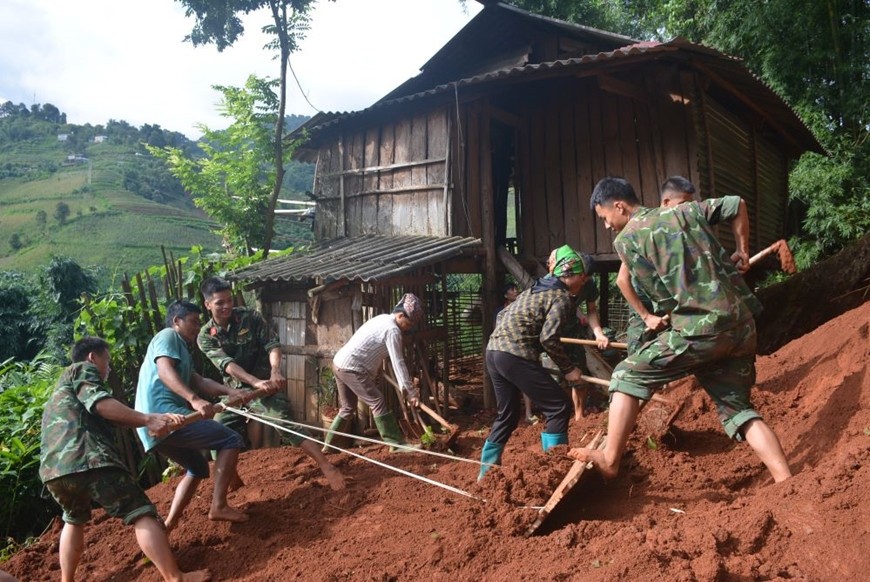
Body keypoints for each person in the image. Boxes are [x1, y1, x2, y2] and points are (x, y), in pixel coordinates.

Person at [570, 177, 792, 484]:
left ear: (618, 206)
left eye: (605, 218)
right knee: (738, 410)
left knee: (625, 375)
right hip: (741, 326)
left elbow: (660, 294)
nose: (607, 226)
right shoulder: (685, 211)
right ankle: (787, 481)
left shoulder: (627, 240)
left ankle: (610, 459)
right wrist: (741, 251)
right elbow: (737, 203)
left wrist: (654, 318)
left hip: (699, 331)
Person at [40, 336, 211, 582]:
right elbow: (100, 405)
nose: (108, 369)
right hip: (88, 459)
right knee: (141, 512)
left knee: (74, 519)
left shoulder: (61, 390)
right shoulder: (82, 370)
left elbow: (112, 417)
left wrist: (153, 420)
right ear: (92, 357)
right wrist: (148, 419)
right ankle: (176, 578)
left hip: (55, 471)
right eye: (106, 361)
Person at [197, 277, 345, 490]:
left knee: (284, 422)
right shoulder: (205, 335)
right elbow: (227, 365)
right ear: (208, 304)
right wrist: (253, 382)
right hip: (235, 392)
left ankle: (327, 467)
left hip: (267, 388)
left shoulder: (250, 318)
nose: (227, 306)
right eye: (220, 302)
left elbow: (272, 345)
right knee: (217, 430)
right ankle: (233, 477)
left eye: (229, 300)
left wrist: (275, 372)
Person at [477, 245, 595, 480]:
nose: (583, 284)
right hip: (514, 354)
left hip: (494, 352)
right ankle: (554, 472)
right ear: (572, 276)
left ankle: (486, 474)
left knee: (508, 414)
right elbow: (548, 338)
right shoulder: (560, 297)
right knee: (559, 407)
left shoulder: (536, 289)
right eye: (582, 279)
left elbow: (503, 317)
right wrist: (569, 370)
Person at [135, 300, 251, 532]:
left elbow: (199, 381)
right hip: (164, 416)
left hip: (155, 425)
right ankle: (218, 505)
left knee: (198, 466)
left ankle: (169, 524)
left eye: (199, 323)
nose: (198, 327)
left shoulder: (181, 349)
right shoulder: (168, 336)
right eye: (193, 322)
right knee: (231, 440)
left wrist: (232, 392)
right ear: (176, 321)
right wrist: (194, 400)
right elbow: (164, 371)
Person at [323, 293, 423, 452]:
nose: (408, 327)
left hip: (340, 363)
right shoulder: (392, 331)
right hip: (352, 368)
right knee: (378, 401)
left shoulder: (382, 318)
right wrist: (410, 392)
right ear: (400, 315)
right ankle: (396, 444)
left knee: (348, 408)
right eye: (408, 323)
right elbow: (398, 363)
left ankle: (329, 445)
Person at [618, 176, 696, 354]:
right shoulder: (644, 228)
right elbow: (622, 280)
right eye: (683, 203)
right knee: (639, 351)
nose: (687, 209)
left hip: (668, 302)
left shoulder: (679, 226)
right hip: (644, 302)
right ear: (667, 202)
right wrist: (646, 316)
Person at [545, 247, 611, 420]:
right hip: (551, 333)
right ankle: (557, 414)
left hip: (572, 331)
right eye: (581, 278)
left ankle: (579, 415)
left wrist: (598, 333)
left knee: (579, 374)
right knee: (555, 376)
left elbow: (591, 311)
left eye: (586, 279)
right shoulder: (552, 281)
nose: (583, 282)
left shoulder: (588, 285)